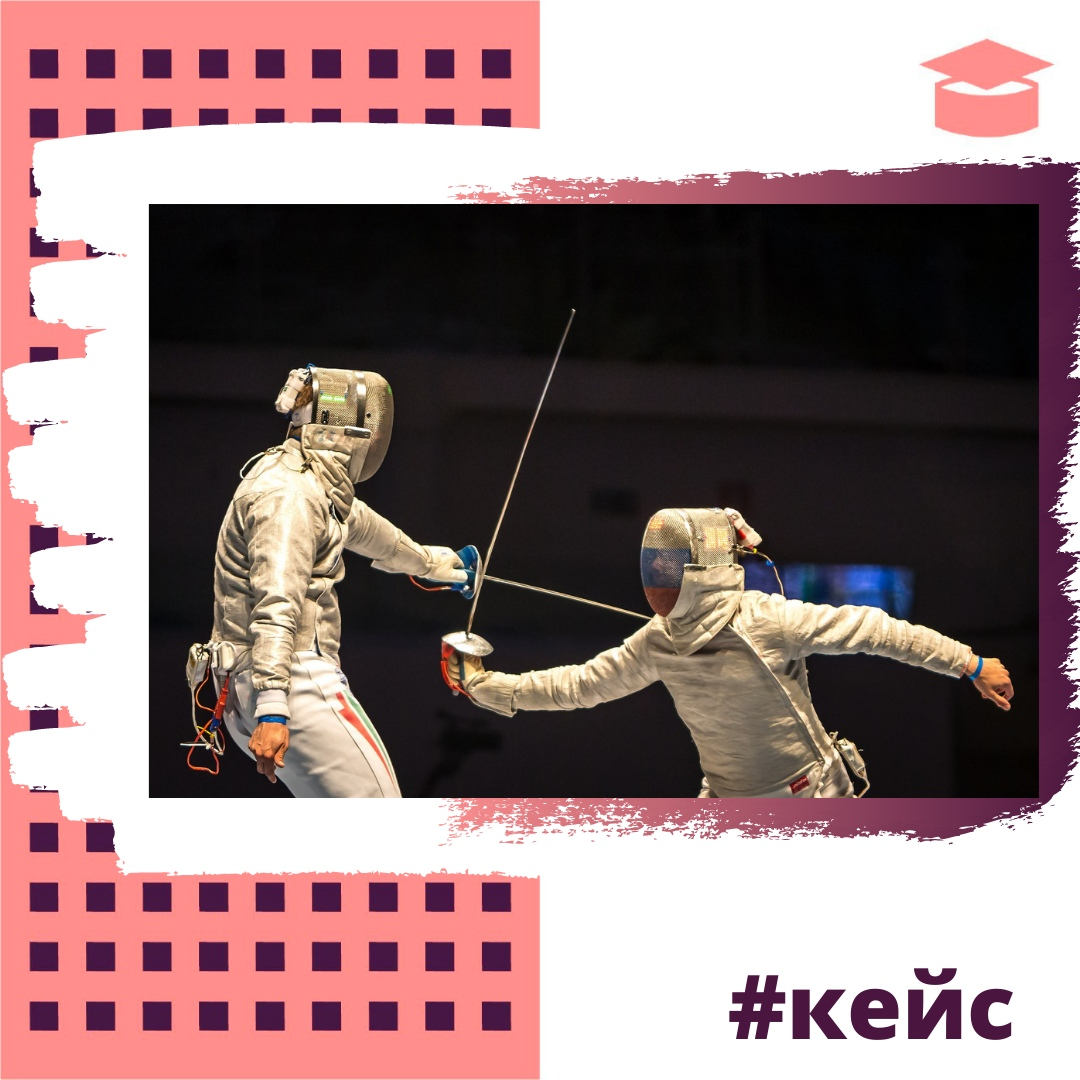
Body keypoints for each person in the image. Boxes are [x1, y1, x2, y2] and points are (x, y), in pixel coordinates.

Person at [442, 507, 1014, 798]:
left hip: (811, 801)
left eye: (667, 565)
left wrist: (970, 663)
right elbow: (578, 685)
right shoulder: (660, 641)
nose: (659, 577)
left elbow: (877, 630)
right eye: (656, 565)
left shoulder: (763, 622)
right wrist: (487, 686)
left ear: (698, 570)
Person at [204, 366, 470, 797]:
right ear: (350, 430)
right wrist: (273, 706)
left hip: (257, 681)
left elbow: (369, 531)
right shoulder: (290, 495)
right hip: (290, 677)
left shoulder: (308, 481)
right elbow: (276, 601)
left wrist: (432, 564)